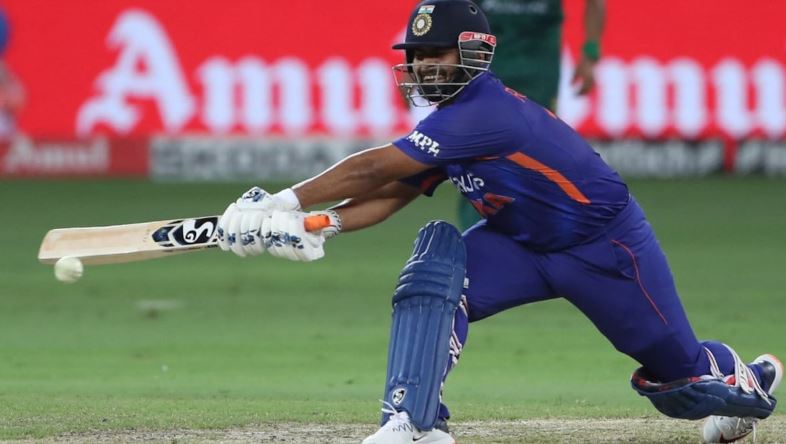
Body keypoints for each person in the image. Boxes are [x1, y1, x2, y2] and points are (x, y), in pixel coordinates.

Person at [215, 1, 781, 443]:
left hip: (603, 248)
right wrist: (318, 223)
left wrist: (282, 201)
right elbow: (392, 193)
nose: (423, 65)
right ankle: (413, 421)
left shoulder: (485, 112)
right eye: (416, 54)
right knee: (435, 278)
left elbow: (377, 167)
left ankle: (750, 380)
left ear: (472, 52)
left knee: (680, 383)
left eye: (436, 53)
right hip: (517, 245)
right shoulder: (448, 123)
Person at [457, 0, 605, 230]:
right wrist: (419, 56)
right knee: (479, 154)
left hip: (538, 73)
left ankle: (532, 234)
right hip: (487, 65)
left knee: (536, 157)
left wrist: (591, 52)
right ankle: (475, 234)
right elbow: (444, 8)